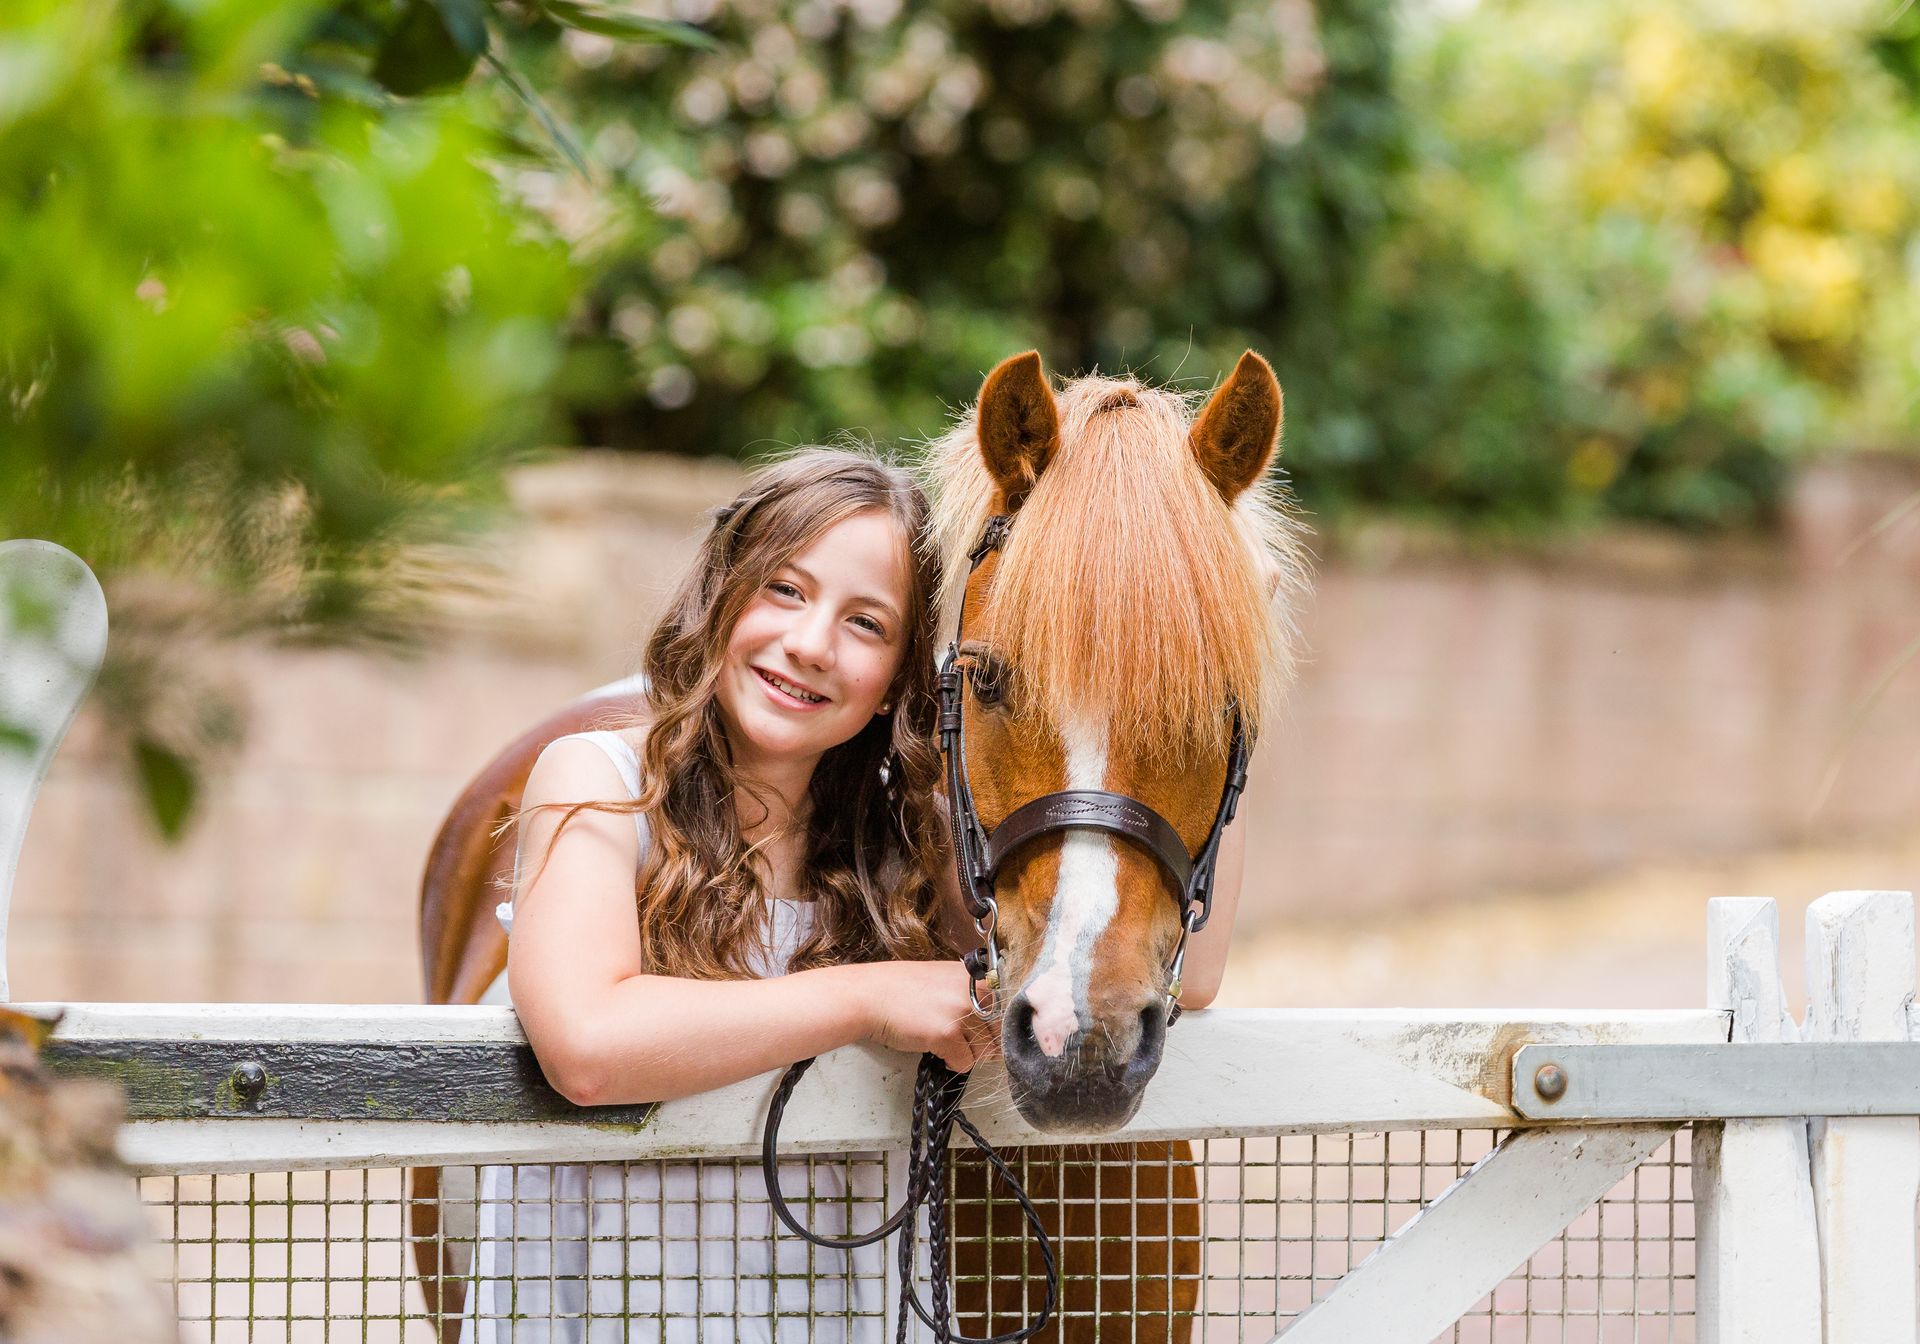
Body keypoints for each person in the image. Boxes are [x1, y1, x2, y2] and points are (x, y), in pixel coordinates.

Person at [458, 449, 985, 1344]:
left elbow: (1188, 980)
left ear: (903, 675)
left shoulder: (914, 842)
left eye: (866, 622)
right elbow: (587, 1047)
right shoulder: (597, 782)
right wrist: (867, 995)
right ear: (721, 590)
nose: (812, 643)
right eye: (784, 588)